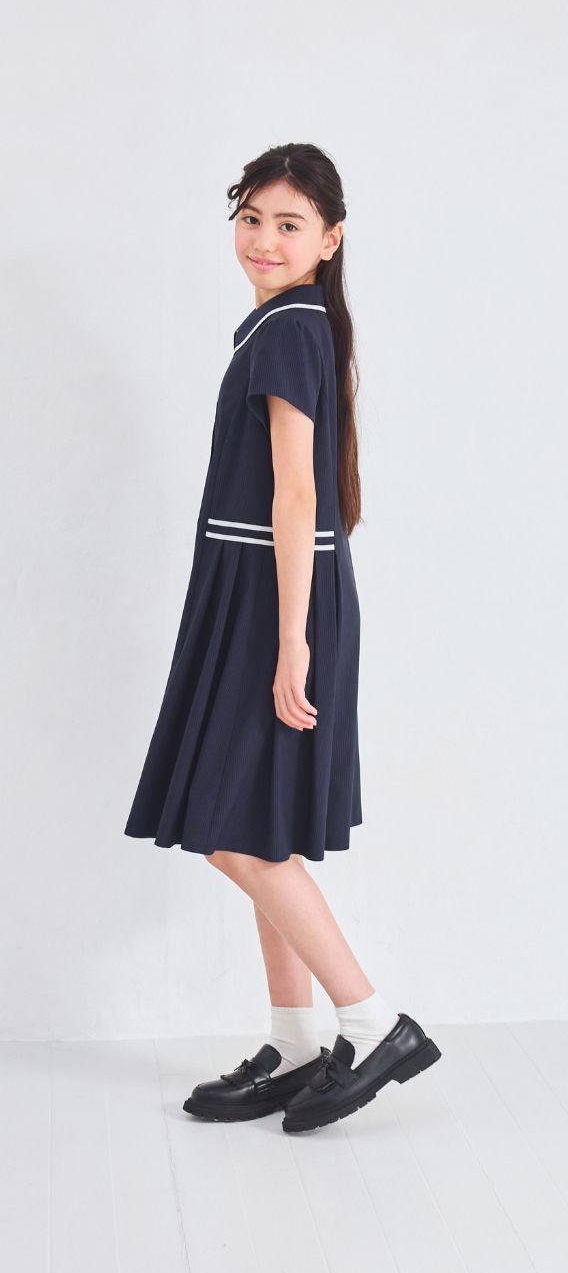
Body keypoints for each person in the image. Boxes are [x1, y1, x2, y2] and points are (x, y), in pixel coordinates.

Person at [123, 142, 440, 1132]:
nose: (264, 239)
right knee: (254, 821)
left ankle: (373, 1022)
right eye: (252, 218)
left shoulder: (289, 331)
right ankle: (298, 1040)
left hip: (273, 598)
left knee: (232, 828)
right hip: (258, 587)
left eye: (289, 224)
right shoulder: (287, 326)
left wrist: (290, 641)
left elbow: (298, 494)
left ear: (330, 240)